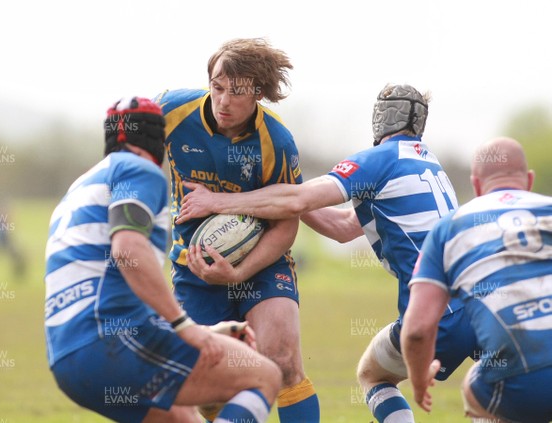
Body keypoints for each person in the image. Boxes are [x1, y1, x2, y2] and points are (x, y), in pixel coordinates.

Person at [178, 83, 479, 422]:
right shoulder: (430, 165)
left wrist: (219, 201)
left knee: (373, 376)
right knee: (498, 398)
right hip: (479, 307)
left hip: (435, 312)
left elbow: (298, 199)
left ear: (380, 117)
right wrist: (271, 189)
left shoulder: (379, 160)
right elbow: (343, 226)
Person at [44, 97, 282, 423]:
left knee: (181, 417)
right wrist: (184, 326)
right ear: (158, 140)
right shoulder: (137, 169)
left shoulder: (80, 188)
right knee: (264, 376)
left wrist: (207, 332)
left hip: (66, 357)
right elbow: (128, 251)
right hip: (110, 341)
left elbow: (114, 287)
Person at [153, 37, 320, 423]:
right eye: (217, 87)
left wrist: (241, 272)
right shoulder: (171, 111)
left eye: (237, 92)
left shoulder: (277, 142)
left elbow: (285, 225)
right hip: (194, 265)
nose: (224, 101)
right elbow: (127, 149)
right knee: (207, 378)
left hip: (263, 260)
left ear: (258, 93)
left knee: (282, 361)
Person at [402, 137, 552, 422]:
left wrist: (419, 380)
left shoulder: (450, 228)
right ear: (529, 180)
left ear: (476, 185)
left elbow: (418, 329)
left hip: (524, 377)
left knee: (476, 382)